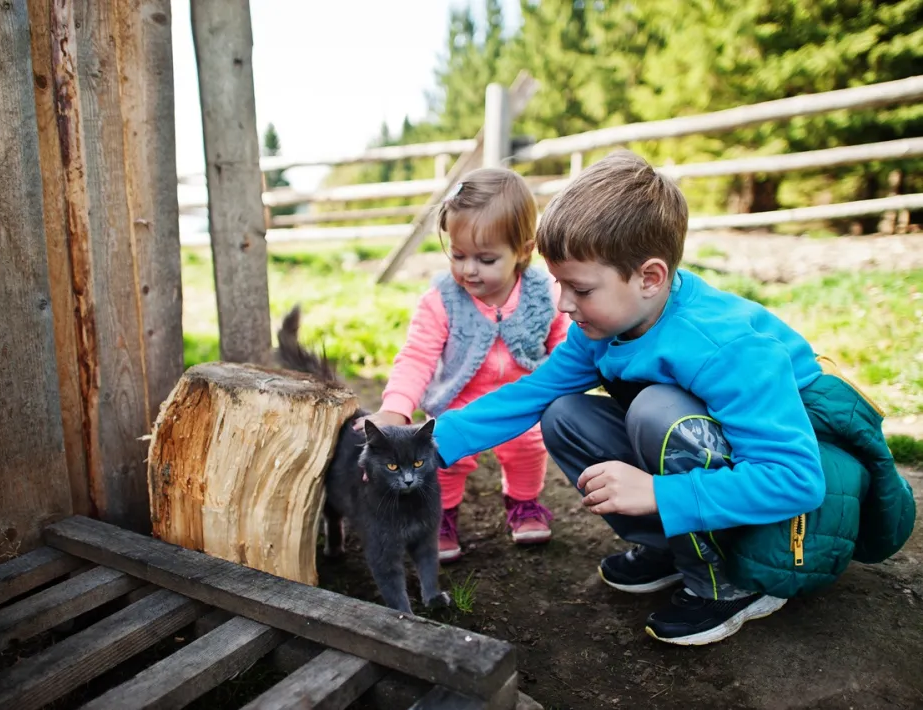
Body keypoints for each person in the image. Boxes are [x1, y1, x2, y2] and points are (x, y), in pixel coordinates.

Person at [431, 149, 915, 645]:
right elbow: (532, 393)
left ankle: (726, 585)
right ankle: (674, 547)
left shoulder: (723, 345)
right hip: (724, 472)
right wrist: (429, 445)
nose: (564, 304)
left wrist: (657, 494)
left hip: (796, 527)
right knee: (563, 413)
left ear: (650, 277)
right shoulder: (603, 328)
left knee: (657, 412)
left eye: (580, 288)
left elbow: (796, 480)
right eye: (559, 284)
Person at [358, 168, 571, 562]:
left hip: (523, 400)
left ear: (523, 251)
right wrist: (397, 407)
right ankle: (441, 514)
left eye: (486, 259)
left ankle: (524, 503)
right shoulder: (442, 300)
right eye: (458, 255)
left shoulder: (545, 294)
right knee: (442, 456)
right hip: (460, 400)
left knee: (528, 447)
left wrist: (563, 391)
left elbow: (564, 346)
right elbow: (417, 356)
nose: (469, 269)